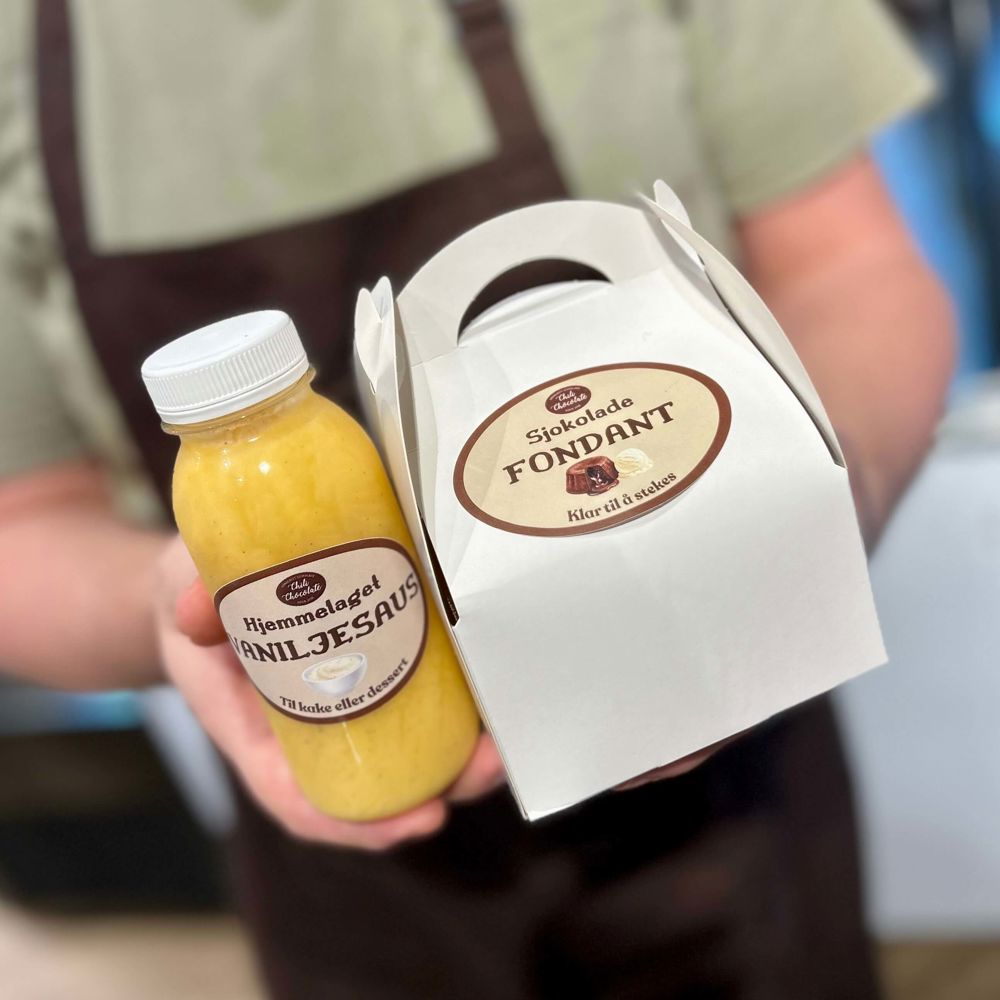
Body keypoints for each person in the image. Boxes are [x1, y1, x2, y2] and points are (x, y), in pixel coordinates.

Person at [1, 0, 954, 996]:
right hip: (355, 826)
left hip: (737, 786)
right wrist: (161, 604)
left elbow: (850, 268)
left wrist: (813, 502)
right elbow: (18, 519)